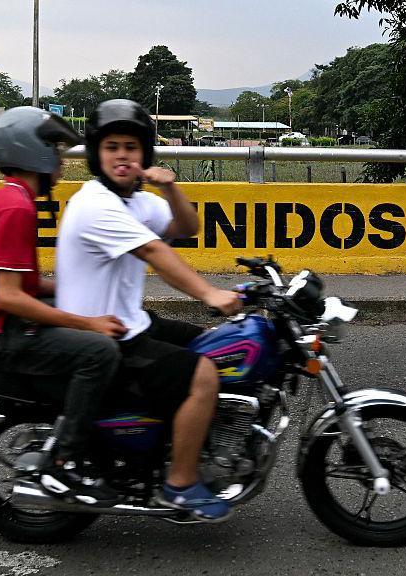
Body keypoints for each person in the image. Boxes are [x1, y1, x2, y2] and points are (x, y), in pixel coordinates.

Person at [55, 99, 242, 522]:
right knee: (203, 374)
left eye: (132, 147)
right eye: (112, 146)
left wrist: (170, 188)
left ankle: (183, 438)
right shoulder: (95, 204)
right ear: (96, 154)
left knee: (214, 345)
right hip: (102, 336)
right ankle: (180, 484)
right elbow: (155, 250)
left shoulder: (135, 201)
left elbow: (186, 228)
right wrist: (209, 294)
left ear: (145, 154)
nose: (122, 155)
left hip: (131, 322)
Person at [0, 106, 127, 506]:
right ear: (32, 151)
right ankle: (64, 463)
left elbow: (29, 284)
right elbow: (10, 297)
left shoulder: (9, 199)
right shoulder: (16, 208)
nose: (61, 163)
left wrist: (87, 290)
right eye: (54, 150)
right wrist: (88, 323)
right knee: (99, 352)